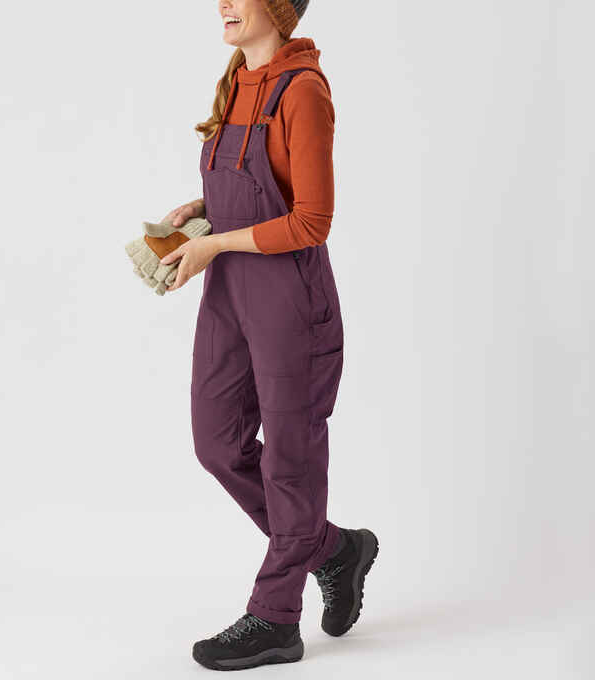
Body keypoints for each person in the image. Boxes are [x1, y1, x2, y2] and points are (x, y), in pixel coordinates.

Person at [154, 0, 379, 670]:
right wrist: (204, 212)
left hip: (290, 303)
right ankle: (333, 549)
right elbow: (261, 187)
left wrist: (215, 243)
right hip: (229, 297)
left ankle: (276, 619)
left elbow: (311, 220)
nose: (223, 3)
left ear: (278, 7)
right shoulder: (237, 82)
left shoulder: (302, 91)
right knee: (217, 443)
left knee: (290, 465)